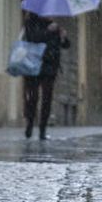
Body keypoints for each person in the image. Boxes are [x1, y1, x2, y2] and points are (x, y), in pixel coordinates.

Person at [22, 11, 70, 140]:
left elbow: (65, 45)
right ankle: (30, 123)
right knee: (32, 97)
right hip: (34, 64)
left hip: (50, 66)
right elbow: (33, 39)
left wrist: (63, 37)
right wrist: (48, 31)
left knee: (47, 98)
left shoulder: (54, 25)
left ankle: (43, 128)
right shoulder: (30, 24)